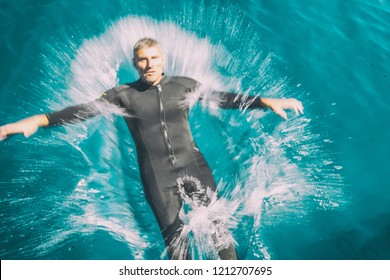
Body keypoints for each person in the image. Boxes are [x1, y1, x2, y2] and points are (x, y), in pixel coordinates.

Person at [0, 38, 304, 260]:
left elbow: (225, 99)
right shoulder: (123, 94)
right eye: (143, 59)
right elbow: (80, 111)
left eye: (154, 58)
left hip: (193, 165)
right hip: (157, 177)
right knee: (176, 245)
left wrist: (267, 102)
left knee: (219, 232)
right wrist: (33, 123)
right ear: (135, 63)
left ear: (163, 60)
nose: (149, 65)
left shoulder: (184, 85)